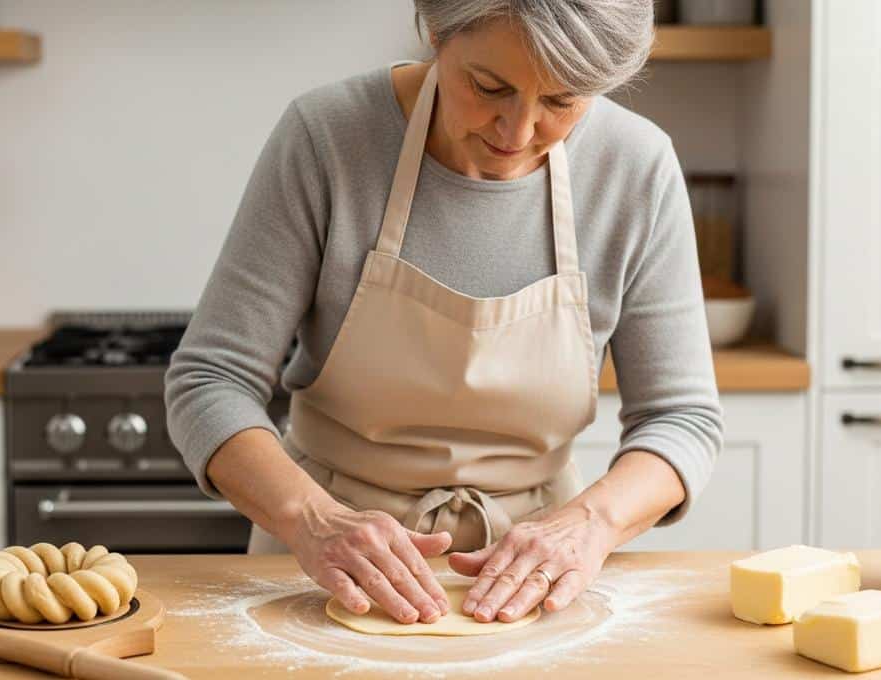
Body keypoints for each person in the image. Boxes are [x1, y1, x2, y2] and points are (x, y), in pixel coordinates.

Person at [165, 0, 723, 627]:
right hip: (324, 565)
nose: (516, 133)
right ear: (434, 30)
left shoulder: (636, 167)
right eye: (488, 87)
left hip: (535, 577)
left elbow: (682, 418)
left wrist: (590, 524)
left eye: (562, 101)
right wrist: (311, 519)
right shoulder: (328, 137)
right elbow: (209, 381)